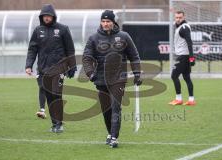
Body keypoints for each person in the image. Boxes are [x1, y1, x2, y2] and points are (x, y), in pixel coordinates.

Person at [82, 10, 142, 148]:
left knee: (116, 107)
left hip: (118, 78)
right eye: (103, 21)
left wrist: (137, 73)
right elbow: (86, 58)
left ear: (113, 22)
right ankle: (110, 133)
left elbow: (134, 56)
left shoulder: (124, 36)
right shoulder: (93, 38)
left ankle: (114, 137)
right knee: (106, 109)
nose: (105, 24)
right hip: (100, 79)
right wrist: (90, 73)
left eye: (108, 21)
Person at [25, 4, 76, 132]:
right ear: (42, 17)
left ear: (53, 16)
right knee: (49, 96)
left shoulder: (63, 29)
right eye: (44, 16)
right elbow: (32, 49)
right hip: (43, 69)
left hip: (59, 69)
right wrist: (28, 65)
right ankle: (54, 124)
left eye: (49, 16)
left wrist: (72, 66)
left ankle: (59, 124)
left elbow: (70, 49)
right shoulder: (38, 31)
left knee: (56, 95)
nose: (47, 18)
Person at [169, 10, 196, 106]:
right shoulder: (180, 27)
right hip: (185, 56)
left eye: (180, 17)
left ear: (184, 17)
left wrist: (192, 58)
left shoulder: (184, 28)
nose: (178, 19)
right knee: (186, 77)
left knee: (174, 75)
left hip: (183, 56)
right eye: (176, 17)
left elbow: (189, 42)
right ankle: (191, 100)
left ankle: (178, 99)